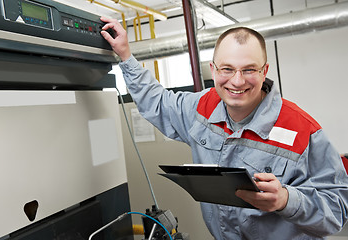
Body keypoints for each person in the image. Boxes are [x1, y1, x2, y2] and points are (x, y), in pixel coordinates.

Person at [100, 17, 348, 239]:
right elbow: (158, 102)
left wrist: (286, 200)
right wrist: (126, 55)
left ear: (264, 71)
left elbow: (337, 210)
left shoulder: (302, 130)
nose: (237, 81)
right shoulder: (201, 108)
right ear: (214, 69)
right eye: (227, 69)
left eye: (249, 69)